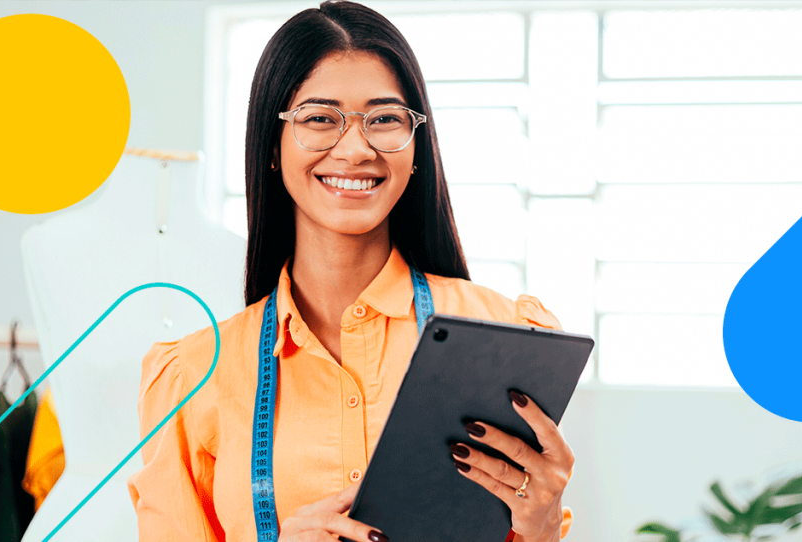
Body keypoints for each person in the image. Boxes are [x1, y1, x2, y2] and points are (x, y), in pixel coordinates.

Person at [127, 2, 576, 541]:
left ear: (417, 147)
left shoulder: (508, 338)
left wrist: (543, 526)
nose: (356, 149)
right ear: (273, 145)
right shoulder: (196, 374)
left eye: (384, 119)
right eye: (320, 118)